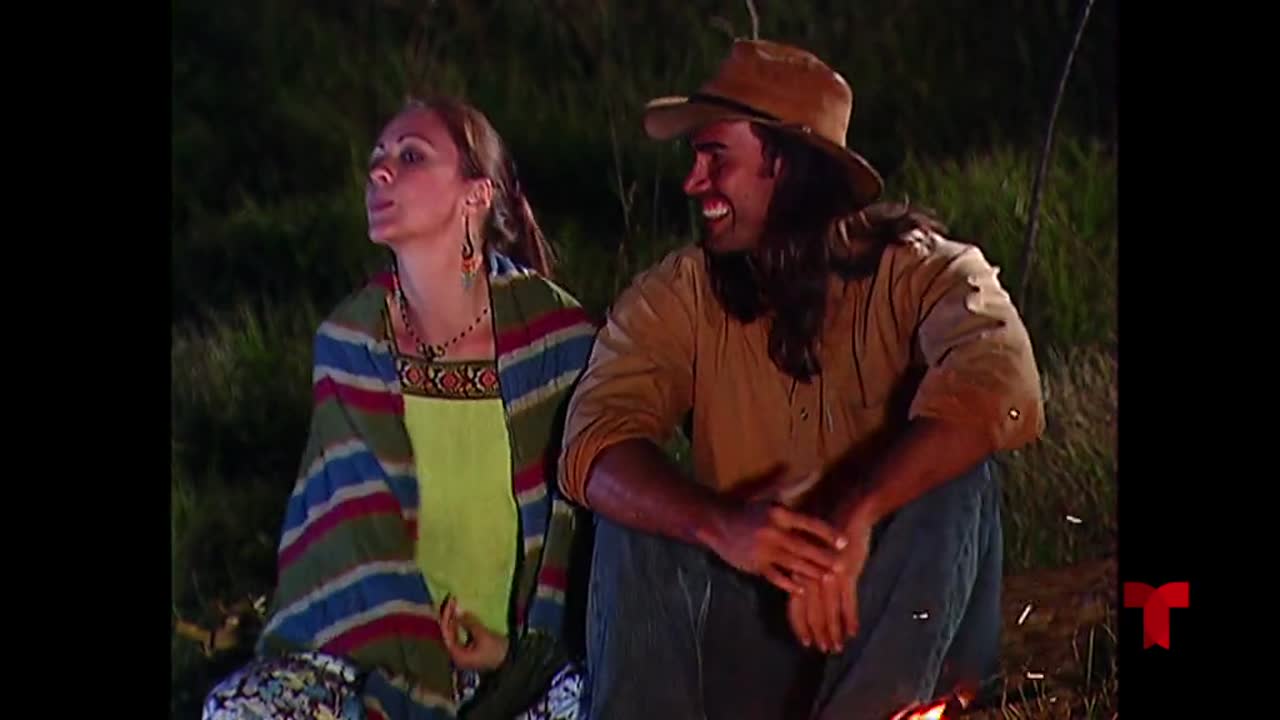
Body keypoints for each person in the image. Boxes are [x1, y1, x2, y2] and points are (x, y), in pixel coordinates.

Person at [558, 39, 1045, 720]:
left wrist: (857, 515)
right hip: (759, 645)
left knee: (959, 473)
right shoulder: (681, 295)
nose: (694, 182)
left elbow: (1000, 384)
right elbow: (592, 443)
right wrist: (721, 526)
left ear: (788, 166)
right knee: (635, 521)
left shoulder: (928, 274)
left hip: (905, 635)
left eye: (716, 157)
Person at [203, 96, 597, 720]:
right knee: (236, 710)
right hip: (369, 655)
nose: (380, 172)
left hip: (517, 665)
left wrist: (508, 653)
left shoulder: (555, 340)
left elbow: (582, 533)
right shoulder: (352, 341)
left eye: (411, 156)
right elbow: (350, 537)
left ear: (476, 194)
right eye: (377, 159)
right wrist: (408, 658)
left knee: (602, 699)